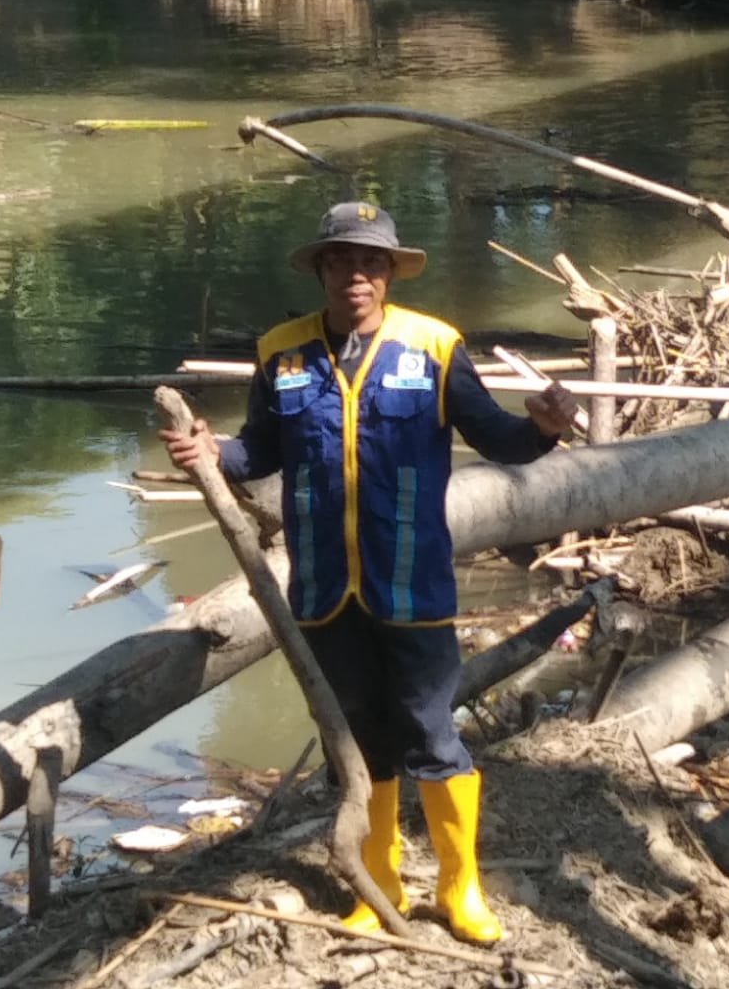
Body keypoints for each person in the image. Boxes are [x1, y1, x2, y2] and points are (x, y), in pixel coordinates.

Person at [163, 201, 578, 945]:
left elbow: (500, 441)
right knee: (354, 736)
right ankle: (376, 882)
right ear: (321, 268)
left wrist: (542, 429)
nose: (356, 274)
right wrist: (210, 453)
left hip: (412, 581)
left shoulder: (436, 347)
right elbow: (259, 451)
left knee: (431, 730)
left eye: (371, 262)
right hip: (323, 584)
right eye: (341, 261)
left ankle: (461, 890)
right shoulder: (282, 353)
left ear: (389, 273)